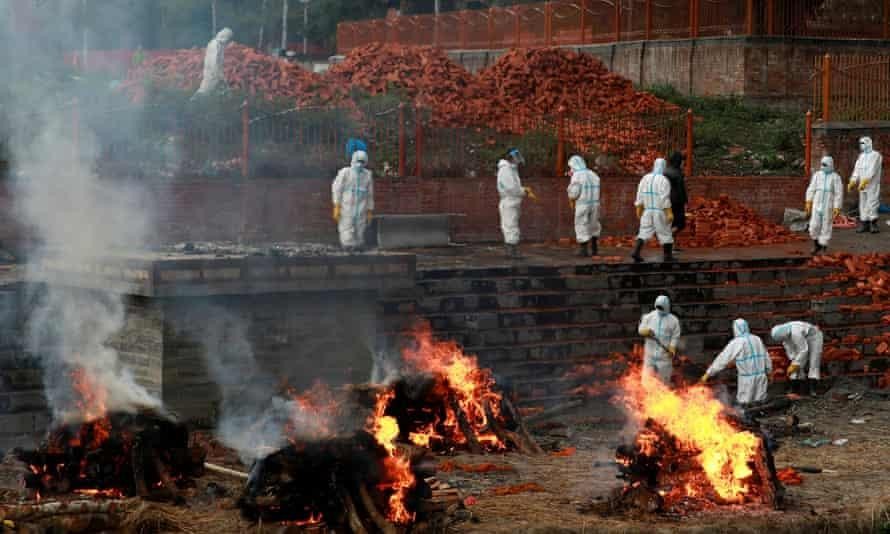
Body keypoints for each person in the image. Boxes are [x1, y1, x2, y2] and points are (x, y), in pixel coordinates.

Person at [700, 319, 772, 406]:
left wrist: (708, 374)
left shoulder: (737, 342)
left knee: (745, 406)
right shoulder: (757, 339)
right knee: (760, 405)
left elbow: (722, 359)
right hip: (761, 378)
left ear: (735, 329)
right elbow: (766, 357)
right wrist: (769, 372)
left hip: (747, 381)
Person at [631, 158, 674, 263]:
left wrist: (639, 208)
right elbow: (664, 198)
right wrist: (668, 212)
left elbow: (639, 194)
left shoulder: (645, 178)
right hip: (659, 211)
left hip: (647, 211)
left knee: (644, 231)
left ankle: (636, 252)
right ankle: (668, 256)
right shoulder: (664, 180)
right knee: (665, 232)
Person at [497, 148, 536, 259]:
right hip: (509, 201)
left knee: (512, 224)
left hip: (512, 201)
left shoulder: (511, 169)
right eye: (516, 158)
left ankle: (512, 250)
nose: (517, 160)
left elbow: (514, 187)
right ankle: (511, 251)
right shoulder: (505, 170)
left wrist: (523, 190)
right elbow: (511, 188)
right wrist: (524, 191)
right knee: (510, 225)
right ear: (510, 157)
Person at [332, 150, 374, 250]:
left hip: (361, 209)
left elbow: (369, 195)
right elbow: (337, 189)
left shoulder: (367, 175)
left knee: (360, 231)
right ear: (353, 160)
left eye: (362, 162)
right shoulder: (345, 172)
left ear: (366, 162)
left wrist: (369, 210)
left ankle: (358, 254)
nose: (360, 164)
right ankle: (347, 251)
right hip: (347, 208)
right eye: (358, 161)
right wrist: (337, 205)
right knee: (346, 230)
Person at [638, 295, 681, 388]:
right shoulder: (649, 317)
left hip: (664, 358)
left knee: (663, 384)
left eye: (661, 307)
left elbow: (675, 336)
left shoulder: (673, 321)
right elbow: (640, 329)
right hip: (649, 357)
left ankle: (663, 399)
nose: (660, 309)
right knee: (646, 382)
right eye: (658, 307)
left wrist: (672, 347)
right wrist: (645, 332)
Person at [770, 321, 823, 396]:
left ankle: (813, 389)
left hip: (814, 337)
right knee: (797, 363)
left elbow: (803, 350)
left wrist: (795, 364)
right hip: (802, 339)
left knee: (814, 361)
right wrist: (793, 361)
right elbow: (790, 351)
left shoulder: (796, 332)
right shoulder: (785, 337)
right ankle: (796, 388)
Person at [805, 156, 844, 255]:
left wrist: (837, 206)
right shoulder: (817, 175)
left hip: (828, 204)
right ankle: (816, 244)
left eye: (825, 164)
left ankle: (823, 246)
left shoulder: (836, 177)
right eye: (822, 164)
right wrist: (808, 201)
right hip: (817, 203)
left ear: (831, 165)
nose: (823, 166)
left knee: (826, 225)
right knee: (814, 225)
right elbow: (811, 188)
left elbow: (839, 193)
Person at [566, 155, 601, 257]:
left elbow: (574, 193)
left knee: (581, 224)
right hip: (595, 203)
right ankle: (594, 248)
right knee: (594, 224)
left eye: (571, 166)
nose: (570, 169)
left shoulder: (576, 176)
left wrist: (570, 194)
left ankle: (583, 250)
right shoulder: (593, 174)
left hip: (582, 204)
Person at [847, 136, 883, 234]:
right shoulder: (861, 156)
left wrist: (866, 180)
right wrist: (853, 181)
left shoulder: (876, 155)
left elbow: (872, 169)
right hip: (862, 185)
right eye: (860, 143)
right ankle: (864, 223)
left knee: (872, 203)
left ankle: (873, 223)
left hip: (872, 184)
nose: (861, 145)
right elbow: (857, 170)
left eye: (863, 143)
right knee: (862, 204)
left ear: (868, 143)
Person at [193, 28, 234, 98]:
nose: (228, 41)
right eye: (228, 38)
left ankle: (227, 99)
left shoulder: (219, 44)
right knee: (205, 88)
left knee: (221, 87)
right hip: (212, 72)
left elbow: (218, 60)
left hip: (216, 71)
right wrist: (216, 73)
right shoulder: (215, 45)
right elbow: (213, 61)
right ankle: (194, 101)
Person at [663, 152, 688, 251]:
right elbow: (681, 189)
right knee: (681, 224)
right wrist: (685, 201)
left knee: (672, 223)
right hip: (677, 201)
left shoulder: (665, 171)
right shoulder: (677, 173)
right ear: (678, 161)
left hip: (667, 200)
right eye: (682, 160)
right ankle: (668, 238)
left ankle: (673, 246)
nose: (683, 163)